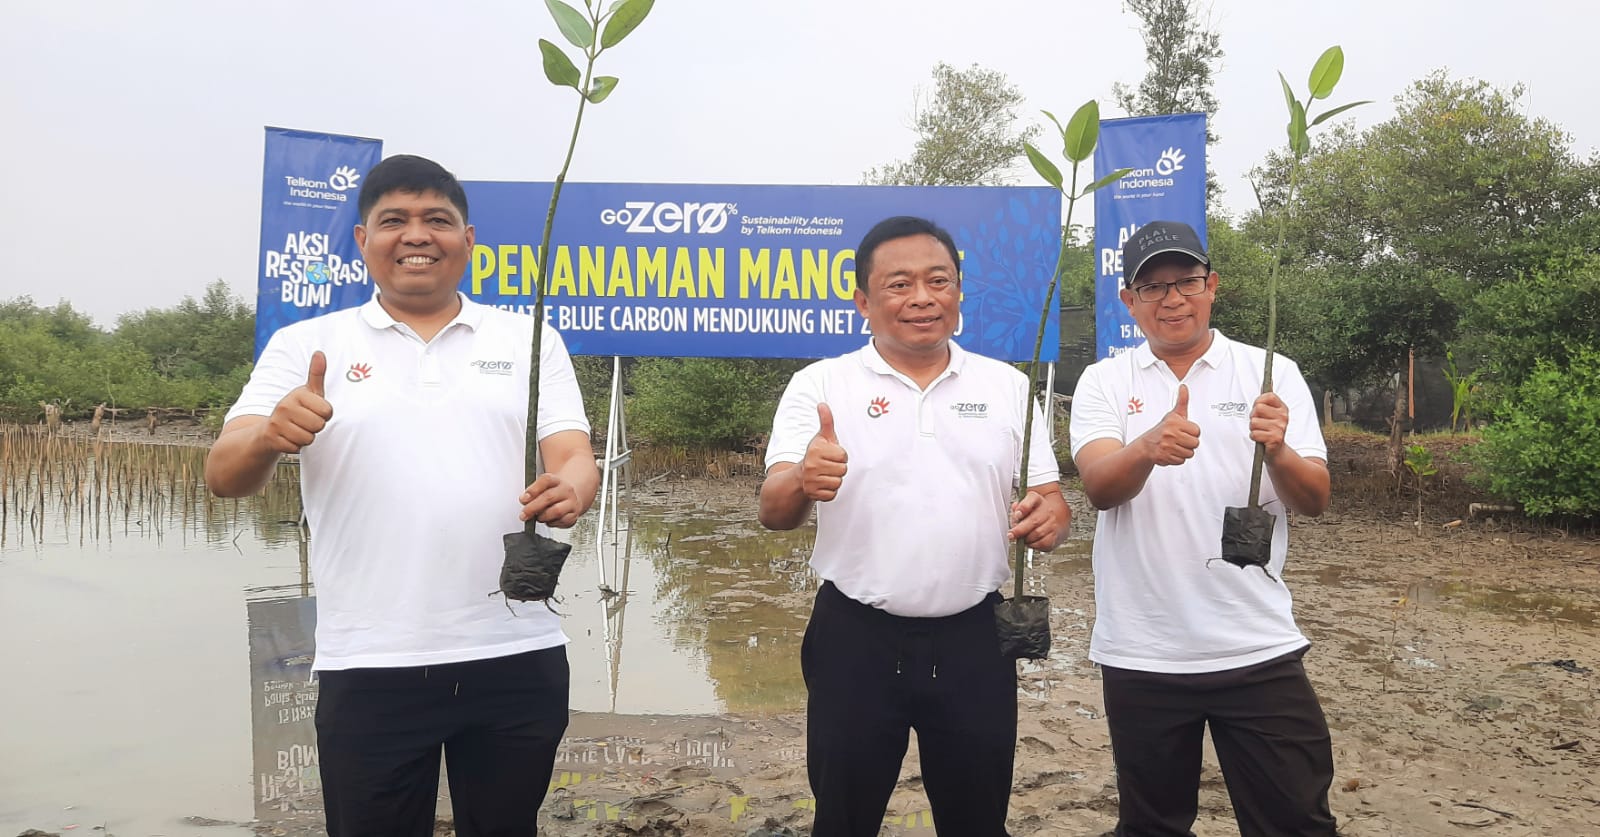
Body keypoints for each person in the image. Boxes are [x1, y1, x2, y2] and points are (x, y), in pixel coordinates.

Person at [205, 154, 599, 837]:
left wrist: (571, 488)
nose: (417, 234)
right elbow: (222, 474)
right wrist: (270, 433)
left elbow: (573, 455)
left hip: (516, 652)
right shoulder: (306, 344)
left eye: (437, 220)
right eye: (394, 220)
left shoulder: (530, 338)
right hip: (371, 659)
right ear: (363, 241)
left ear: (468, 240)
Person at [758, 215, 1071, 837]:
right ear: (863, 300)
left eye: (939, 280)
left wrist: (1051, 517)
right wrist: (802, 478)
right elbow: (774, 511)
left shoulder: (1007, 386)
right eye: (899, 284)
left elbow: (1052, 501)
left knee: (978, 820)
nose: (922, 298)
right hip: (856, 639)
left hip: (978, 640)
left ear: (959, 291)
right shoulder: (820, 385)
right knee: (844, 818)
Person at [1069, 220, 1336, 836]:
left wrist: (1280, 452)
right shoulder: (1106, 381)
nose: (1172, 300)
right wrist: (1146, 448)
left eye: (1186, 281)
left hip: (1257, 643)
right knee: (1151, 825)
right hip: (1143, 652)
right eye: (1152, 287)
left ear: (1211, 286)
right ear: (1128, 301)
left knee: (1295, 821)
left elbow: (1315, 499)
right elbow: (1100, 488)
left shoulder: (1269, 371)